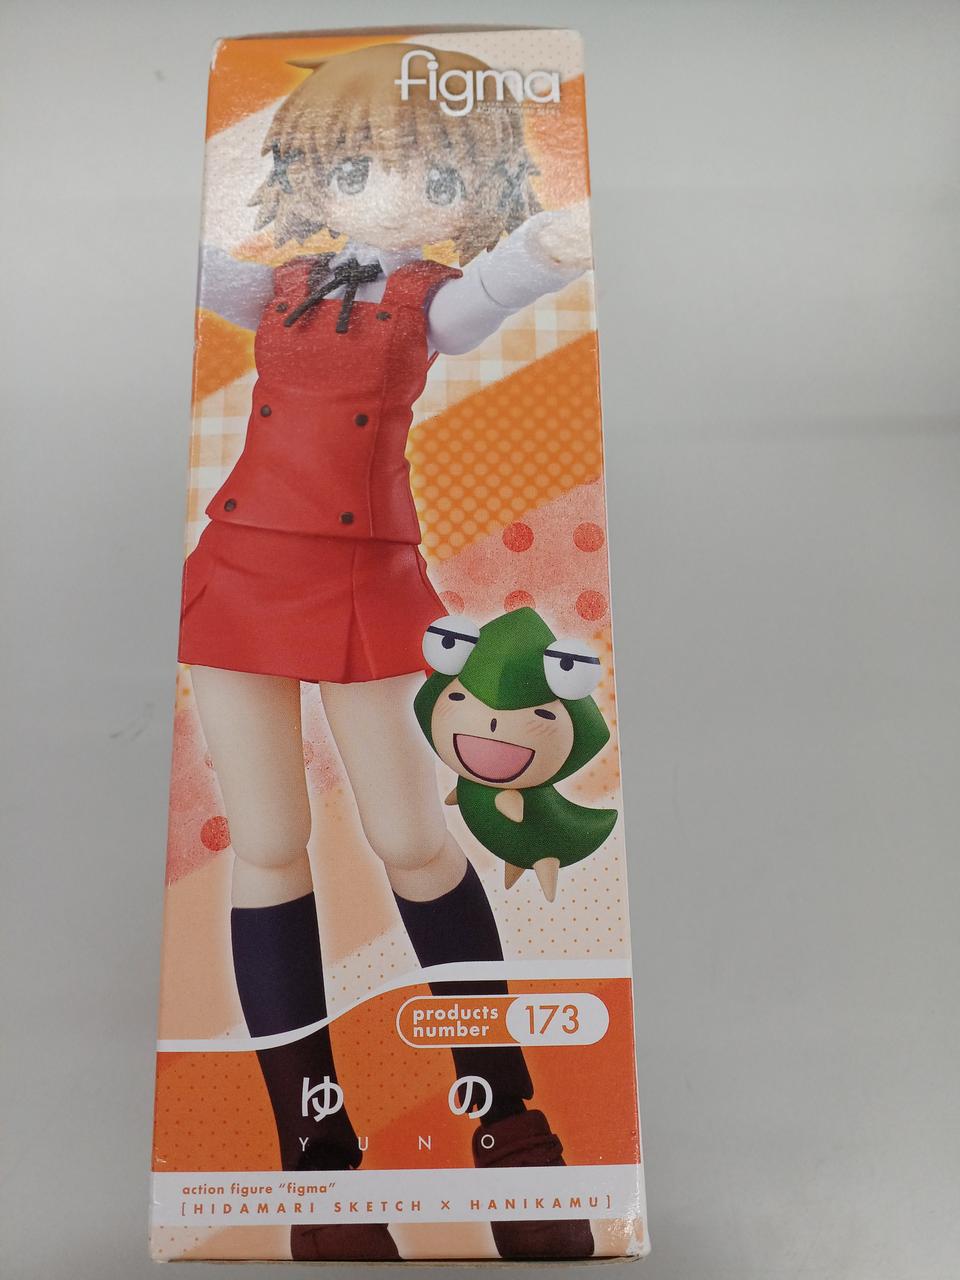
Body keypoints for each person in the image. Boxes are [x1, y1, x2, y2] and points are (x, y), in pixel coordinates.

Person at [180, 42, 593, 1261]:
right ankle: (317, 1159)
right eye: (355, 165)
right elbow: (206, 271)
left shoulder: (424, 300)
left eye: (437, 173)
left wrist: (549, 246)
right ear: (312, 171)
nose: (395, 192)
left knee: (412, 838)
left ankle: (507, 1121)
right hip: (241, 569)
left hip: (364, 575)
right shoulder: (283, 285)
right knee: (268, 844)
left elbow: (488, 294)